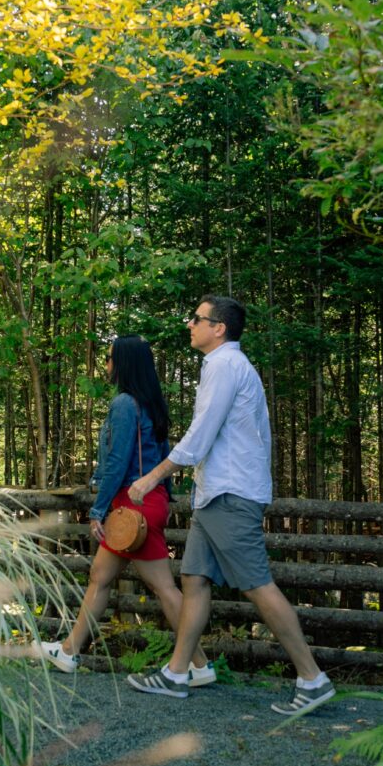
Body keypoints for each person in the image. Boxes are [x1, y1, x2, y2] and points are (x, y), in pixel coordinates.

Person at [126, 296, 335, 715]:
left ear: (218, 328)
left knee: (256, 583)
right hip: (215, 492)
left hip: (230, 494)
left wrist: (151, 478)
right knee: (195, 578)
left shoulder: (225, 366)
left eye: (197, 319)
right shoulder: (225, 366)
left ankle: (313, 679)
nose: (190, 325)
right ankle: (177, 673)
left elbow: (201, 435)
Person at [35, 334, 212, 681]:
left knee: (162, 588)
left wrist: (98, 509)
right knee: (100, 579)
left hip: (132, 506)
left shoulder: (124, 405)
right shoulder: (151, 403)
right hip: (150, 501)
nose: (107, 364)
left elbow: (117, 462)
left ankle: (200, 664)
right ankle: (69, 651)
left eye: (110, 358)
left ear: (124, 363)